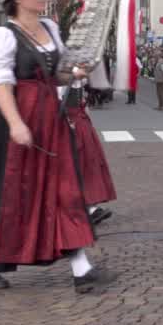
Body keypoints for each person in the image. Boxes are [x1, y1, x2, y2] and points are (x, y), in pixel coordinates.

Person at [0, 0, 107, 294]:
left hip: (48, 118)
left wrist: (76, 73)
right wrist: (16, 124)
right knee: (8, 191)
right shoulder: (3, 35)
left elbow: (56, 75)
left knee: (64, 188)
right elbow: (2, 85)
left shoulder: (50, 28)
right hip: (14, 118)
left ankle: (81, 268)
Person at [65, 69, 117, 230]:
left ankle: (89, 206)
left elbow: (82, 102)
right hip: (69, 124)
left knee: (88, 165)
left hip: (80, 124)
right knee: (75, 167)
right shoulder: (62, 77)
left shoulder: (77, 80)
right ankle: (77, 208)